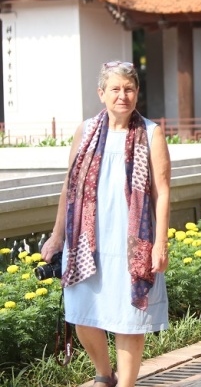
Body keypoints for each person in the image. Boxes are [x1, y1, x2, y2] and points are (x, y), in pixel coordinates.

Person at [41, 61, 171, 387]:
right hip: (86, 239)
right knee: (83, 311)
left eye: (129, 89)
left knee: (129, 317)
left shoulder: (151, 133)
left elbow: (164, 191)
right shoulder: (85, 132)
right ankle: (103, 373)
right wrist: (57, 237)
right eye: (115, 89)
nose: (122, 96)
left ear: (137, 92)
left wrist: (160, 244)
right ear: (102, 93)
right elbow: (69, 187)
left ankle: (125, 384)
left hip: (132, 241)